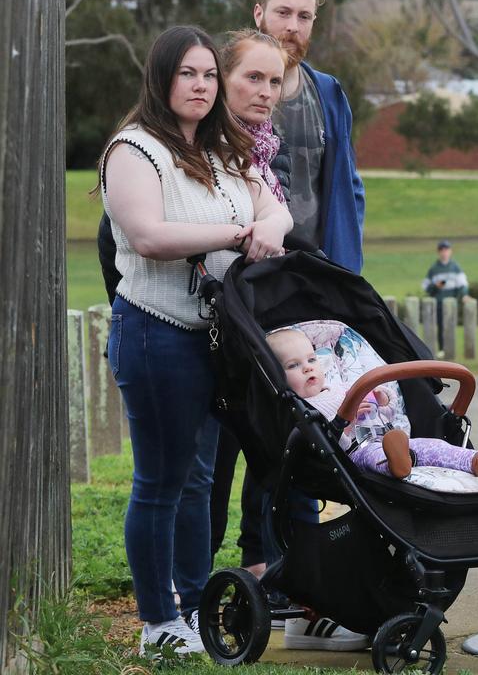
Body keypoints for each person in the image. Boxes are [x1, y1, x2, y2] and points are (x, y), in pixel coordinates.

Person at [99, 25, 293, 657]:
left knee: (196, 481)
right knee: (160, 481)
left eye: (209, 75)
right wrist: (238, 233)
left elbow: (278, 209)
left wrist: (266, 225)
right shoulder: (134, 149)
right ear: (161, 78)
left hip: (216, 340)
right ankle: (157, 623)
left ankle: (193, 606)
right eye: (189, 73)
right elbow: (149, 236)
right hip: (156, 333)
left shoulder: (223, 149)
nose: (202, 86)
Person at [207, 29, 289, 587]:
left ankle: (259, 559)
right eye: (252, 78)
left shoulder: (258, 152)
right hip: (199, 324)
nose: (264, 92)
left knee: (266, 440)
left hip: (252, 320)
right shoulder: (198, 144)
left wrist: (269, 225)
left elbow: (279, 219)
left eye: (274, 81)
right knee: (210, 461)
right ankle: (189, 578)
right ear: (222, 80)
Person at [266, 328, 478, 479]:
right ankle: (396, 464)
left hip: (391, 438)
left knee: (432, 445)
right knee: (376, 455)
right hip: (357, 453)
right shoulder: (310, 408)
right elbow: (321, 444)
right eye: (293, 365)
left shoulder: (341, 389)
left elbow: (385, 414)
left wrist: (383, 400)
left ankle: (476, 461)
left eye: (311, 359)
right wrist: (344, 425)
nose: (307, 367)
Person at [253, 0, 365, 272]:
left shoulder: (329, 94)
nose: (293, 26)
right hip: (246, 271)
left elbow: (349, 186)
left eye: (304, 16)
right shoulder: (225, 89)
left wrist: (346, 265)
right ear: (258, 13)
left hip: (317, 272)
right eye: (283, 13)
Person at [422, 240, 469, 351]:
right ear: (438, 252)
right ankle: (442, 349)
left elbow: (462, 284)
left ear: (450, 251)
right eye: (442, 250)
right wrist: (436, 286)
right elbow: (426, 287)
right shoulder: (433, 269)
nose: (444, 253)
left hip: (451, 303)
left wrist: (464, 295)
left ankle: (451, 349)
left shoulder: (455, 267)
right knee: (441, 327)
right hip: (438, 302)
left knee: (450, 326)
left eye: (446, 250)